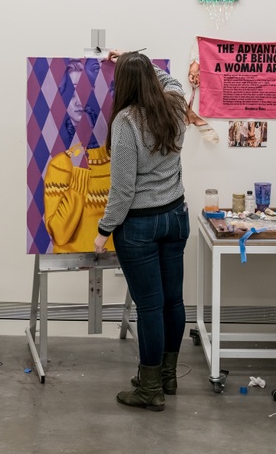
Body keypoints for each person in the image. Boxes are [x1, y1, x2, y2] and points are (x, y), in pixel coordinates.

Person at [93, 50, 189, 412]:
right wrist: (139, 61)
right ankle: (167, 376)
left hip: (140, 226)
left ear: (123, 85)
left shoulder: (125, 122)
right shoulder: (176, 106)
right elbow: (171, 79)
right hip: (176, 218)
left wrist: (104, 230)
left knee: (149, 307)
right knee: (173, 302)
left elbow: (122, 190)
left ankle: (150, 390)